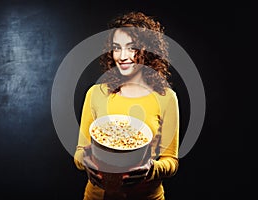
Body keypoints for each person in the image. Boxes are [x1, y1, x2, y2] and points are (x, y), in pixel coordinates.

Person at [74, 11, 179, 200]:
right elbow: (80, 151)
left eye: (131, 48)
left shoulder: (166, 98)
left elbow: (171, 161)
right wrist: (86, 163)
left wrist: (151, 170)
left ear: (148, 50)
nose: (122, 56)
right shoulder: (96, 93)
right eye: (116, 48)